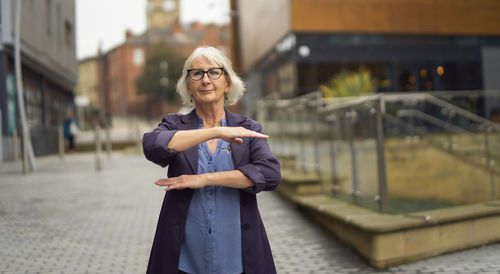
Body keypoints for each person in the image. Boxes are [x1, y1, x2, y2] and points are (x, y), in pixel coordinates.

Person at [142, 46, 281, 274]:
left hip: (237, 256)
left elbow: (271, 174)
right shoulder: (175, 124)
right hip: (185, 258)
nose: (205, 80)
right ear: (188, 85)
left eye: (214, 72)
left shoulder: (247, 128)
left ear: (227, 83)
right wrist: (215, 132)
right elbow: (152, 145)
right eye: (196, 73)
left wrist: (205, 179)